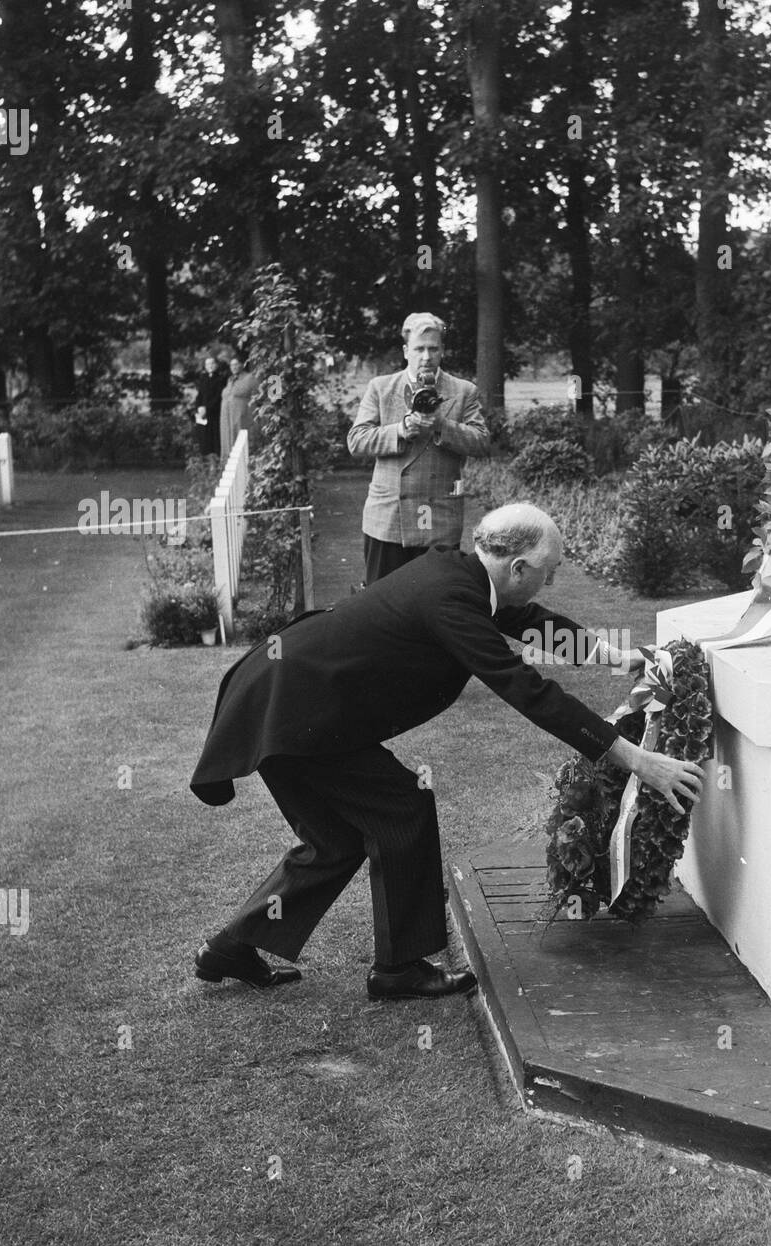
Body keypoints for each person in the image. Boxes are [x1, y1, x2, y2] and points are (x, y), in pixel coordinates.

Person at [189, 503, 704, 1001]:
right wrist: (638, 759)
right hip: (294, 713)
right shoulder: (453, 602)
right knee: (402, 808)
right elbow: (528, 692)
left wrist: (614, 656)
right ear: (518, 566)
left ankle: (231, 949)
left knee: (335, 841)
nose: (550, 583)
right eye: (548, 572)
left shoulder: (456, 571)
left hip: (288, 703)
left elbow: (527, 620)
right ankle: (399, 969)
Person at [347, 312, 490, 585]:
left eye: (433, 348)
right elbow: (356, 440)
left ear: (443, 351)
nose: (426, 356)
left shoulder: (463, 391)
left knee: (437, 608)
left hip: (440, 521)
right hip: (388, 520)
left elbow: (482, 442)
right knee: (382, 609)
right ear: (406, 351)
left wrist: (441, 426)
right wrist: (400, 430)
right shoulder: (381, 388)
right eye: (419, 349)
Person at [219, 351, 260, 461]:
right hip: (227, 419)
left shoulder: (250, 378)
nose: (234, 367)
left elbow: (259, 396)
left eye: (236, 364)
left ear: (242, 365)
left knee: (241, 442)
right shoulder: (230, 380)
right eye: (232, 365)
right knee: (229, 442)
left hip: (243, 417)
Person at [193, 354, 225, 456]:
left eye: (212, 363)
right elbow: (200, 395)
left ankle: (217, 464)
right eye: (208, 364)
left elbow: (218, 396)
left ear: (216, 365)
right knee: (204, 440)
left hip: (215, 413)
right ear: (205, 366)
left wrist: (207, 408)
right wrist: (199, 408)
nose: (210, 366)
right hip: (203, 414)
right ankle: (209, 464)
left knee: (215, 439)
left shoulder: (221, 378)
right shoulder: (203, 378)